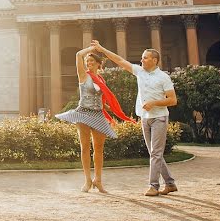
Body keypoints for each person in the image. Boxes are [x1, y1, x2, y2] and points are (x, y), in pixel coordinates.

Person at [92, 40, 178, 196]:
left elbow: (173, 100)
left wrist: (154, 103)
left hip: (160, 117)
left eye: (145, 58)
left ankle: (153, 186)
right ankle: (170, 183)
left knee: (155, 153)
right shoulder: (140, 72)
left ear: (155, 60)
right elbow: (119, 60)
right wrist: (101, 49)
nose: (141, 60)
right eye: (142, 58)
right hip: (145, 118)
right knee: (154, 153)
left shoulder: (163, 77)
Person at [55, 43, 134, 193]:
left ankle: (98, 180)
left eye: (92, 61)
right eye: (87, 62)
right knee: (85, 148)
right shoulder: (83, 75)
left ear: (99, 64)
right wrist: (91, 49)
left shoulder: (102, 80)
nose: (89, 63)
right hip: (83, 113)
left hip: (98, 114)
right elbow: (78, 55)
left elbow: (101, 101)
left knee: (99, 149)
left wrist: (113, 111)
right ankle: (87, 180)